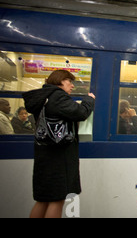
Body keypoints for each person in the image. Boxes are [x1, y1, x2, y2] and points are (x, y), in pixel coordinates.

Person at [23, 69, 95, 218]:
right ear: (61, 81)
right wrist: (89, 100)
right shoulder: (58, 97)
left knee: (43, 200)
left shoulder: (43, 98)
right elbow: (81, 113)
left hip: (44, 153)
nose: (72, 86)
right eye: (70, 82)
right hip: (58, 156)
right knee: (57, 200)